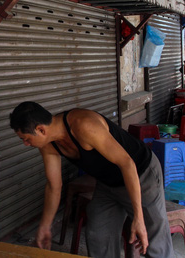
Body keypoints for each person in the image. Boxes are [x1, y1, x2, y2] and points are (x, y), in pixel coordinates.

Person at [9, 102, 173, 258]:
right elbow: (54, 186)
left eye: (26, 138)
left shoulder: (83, 125)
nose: (25, 144)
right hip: (107, 183)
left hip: (141, 175)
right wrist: (45, 226)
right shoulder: (48, 144)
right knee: (98, 234)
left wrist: (138, 218)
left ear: (40, 129)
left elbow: (127, 164)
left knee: (152, 238)